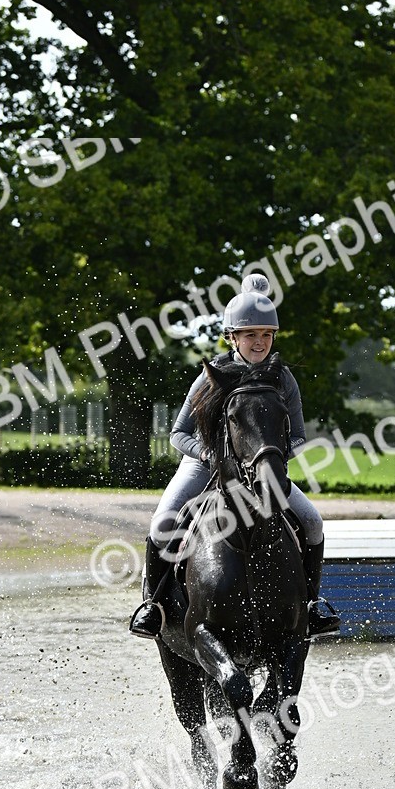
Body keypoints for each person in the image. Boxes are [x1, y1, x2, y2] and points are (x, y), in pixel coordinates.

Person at [129, 273, 340, 639]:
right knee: (162, 524)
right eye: (250, 335)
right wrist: (212, 456)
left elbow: (300, 436)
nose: (259, 342)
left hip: (261, 469)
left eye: (266, 335)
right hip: (205, 464)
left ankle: (311, 605)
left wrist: (267, 460)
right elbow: (178, 434)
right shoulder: (212, 375)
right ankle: (154, 605)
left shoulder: (283, 378)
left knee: (312, 523)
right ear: (232, 337)